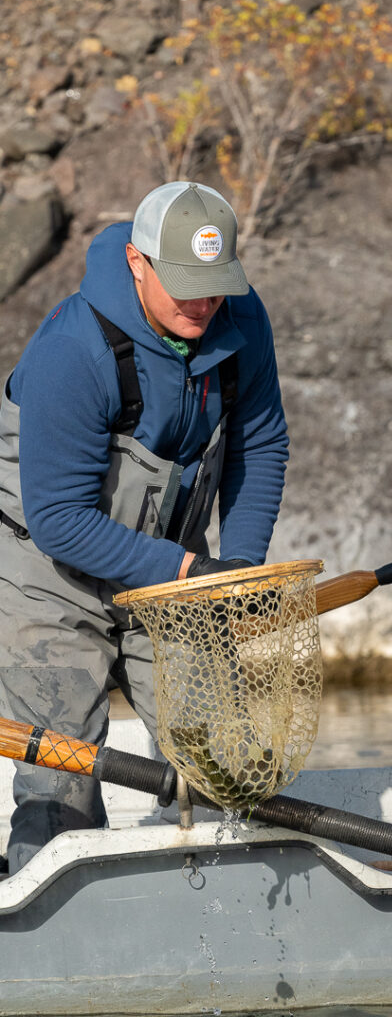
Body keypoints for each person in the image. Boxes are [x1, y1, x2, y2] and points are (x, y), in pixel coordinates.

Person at [0, 181, 289, 873]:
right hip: (51, 572)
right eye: (184, 285)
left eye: (215, 285)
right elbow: (61, 521)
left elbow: (261, 444)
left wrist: (236, 568)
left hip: (172, 570)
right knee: (60, 786)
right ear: (137, 261)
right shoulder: (73, 351)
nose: (202, 303)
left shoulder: (240, 323)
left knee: (224, 765)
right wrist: (191, 570)